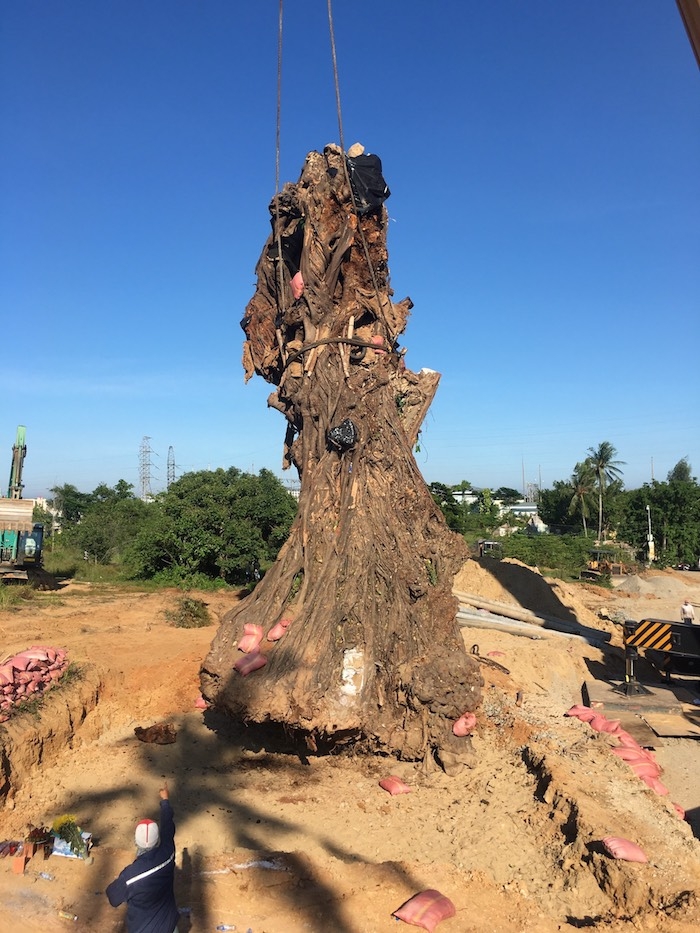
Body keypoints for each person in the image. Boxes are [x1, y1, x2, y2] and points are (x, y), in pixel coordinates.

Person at [106, 783, 179, 933]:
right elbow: (168, 828)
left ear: (136, 841)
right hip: (170, 927)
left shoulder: (130, 876)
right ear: (157, 839)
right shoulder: (168, 853)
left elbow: (113, 897)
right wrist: (165, 801)